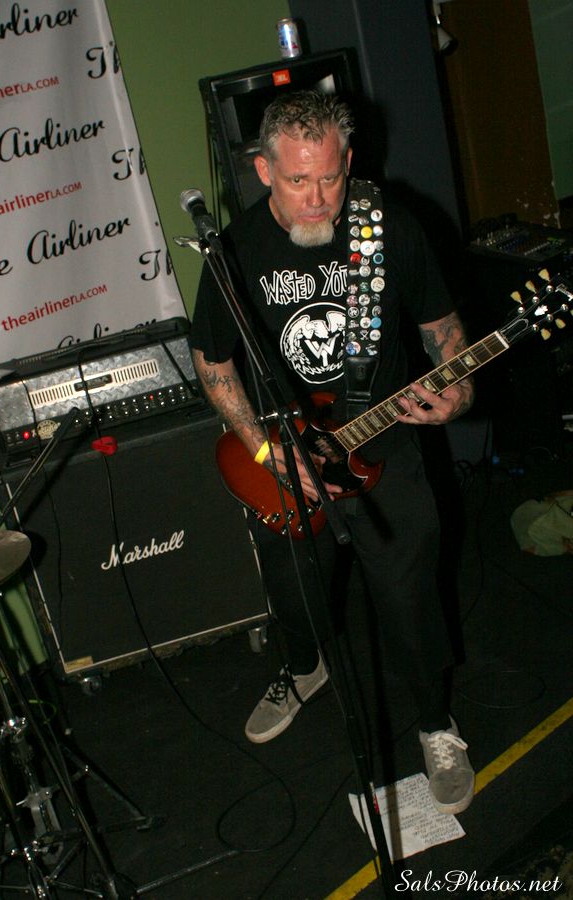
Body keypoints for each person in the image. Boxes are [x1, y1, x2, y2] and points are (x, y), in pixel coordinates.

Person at [190, 90, 475, 815]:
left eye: (330, 177)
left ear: (348, 162)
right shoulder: (233, 254)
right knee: (294, 593)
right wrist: (264, 451)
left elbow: (444, 331)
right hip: (287, 456)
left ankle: (436, 724)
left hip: (385, 445)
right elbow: (213, 365)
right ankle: (303, 666)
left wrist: (459, 388)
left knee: (408, 601)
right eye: (297, 180)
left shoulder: (389, 229)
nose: (318, 199)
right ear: (263, 170)